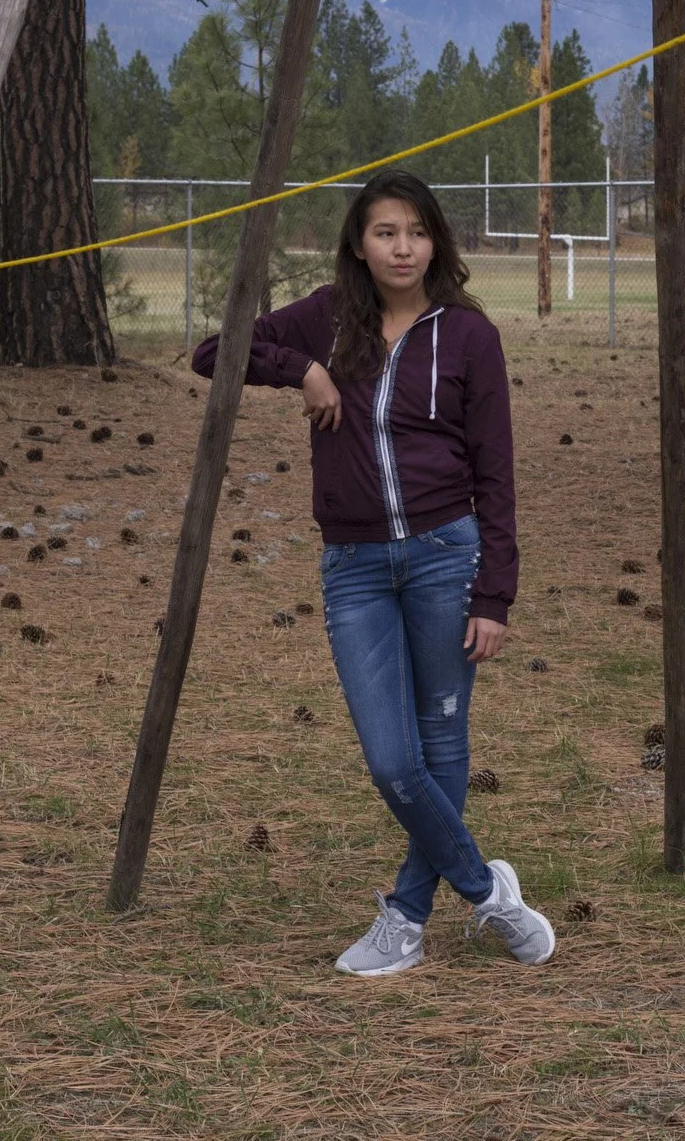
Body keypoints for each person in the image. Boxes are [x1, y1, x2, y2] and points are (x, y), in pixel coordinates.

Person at [194, 170, 555, 976]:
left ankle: (407, 917)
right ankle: (486, 889)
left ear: (437, 244)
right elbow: (213, 351)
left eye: (418, 232)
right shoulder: (326, 318)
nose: (403, 247)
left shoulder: (469, 336)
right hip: (355, 567)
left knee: (441, 741)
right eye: (386, 232)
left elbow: (496, 474)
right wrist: (303, 370)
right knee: (392, 761)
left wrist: (495, 593)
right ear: (359, 244)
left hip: (445, 559)